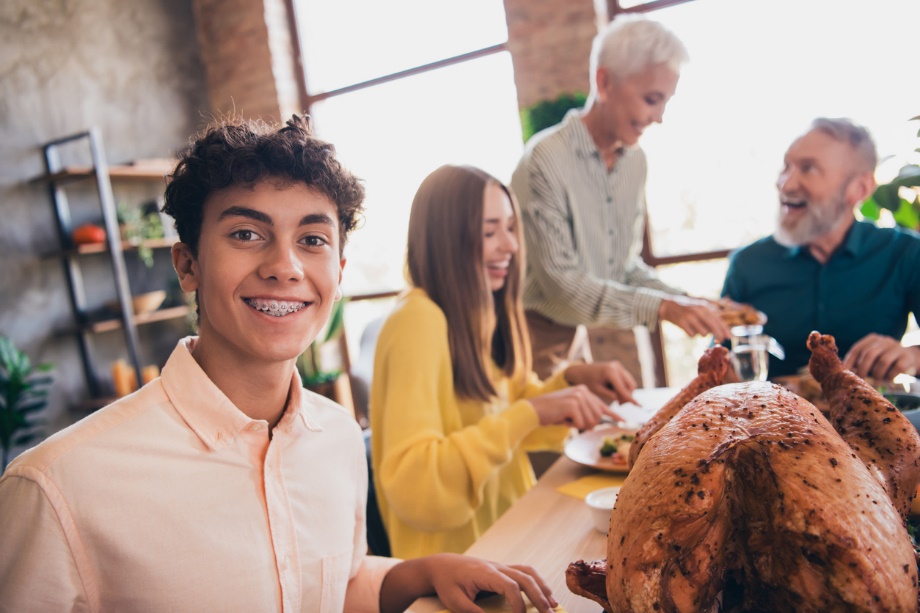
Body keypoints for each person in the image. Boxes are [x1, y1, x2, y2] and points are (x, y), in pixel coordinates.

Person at [0, 116, 561, 613]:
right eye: (247, 234)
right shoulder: (57, 487)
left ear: (338, 272)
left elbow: (331, 588)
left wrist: (426, 570)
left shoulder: (338, 436)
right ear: (187, 263)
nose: (285, 266)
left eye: (312, 239)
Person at [370, 164, 638, 560]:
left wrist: (569, 382)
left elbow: (505, 411)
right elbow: (417, 483)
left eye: (511, 228)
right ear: (446, 239)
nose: (511, 246)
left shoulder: (477, 311)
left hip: (511, 533)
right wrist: (531, 411)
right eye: (489, 231)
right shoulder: (417, 321)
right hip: (462, 564)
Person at [511, 14, 731, 383]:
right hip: (525, 340)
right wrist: (663, 307)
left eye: (665, 102)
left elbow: (623, 267)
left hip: (574, 335)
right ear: (605, 81)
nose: (659, 117)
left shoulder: (635, 162)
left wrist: (688, 302)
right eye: (651, 99)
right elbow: (563, 289)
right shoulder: (545, 159)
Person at [722, 117, 920, 381]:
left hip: (870, 417)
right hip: (770, 417)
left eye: (808, 169)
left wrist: (913, 357)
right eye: (786, 166)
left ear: (859, 188)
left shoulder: (905, 253)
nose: (786, 183)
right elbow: (719, 364)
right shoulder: (747, 264)